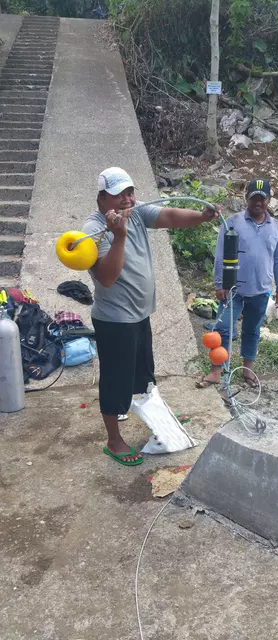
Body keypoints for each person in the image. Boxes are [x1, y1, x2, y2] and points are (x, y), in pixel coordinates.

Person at [83, 167, 220, 466]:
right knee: (116, 380)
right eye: (120, 194)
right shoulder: (92, 230)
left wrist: (201, 216)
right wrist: (118, 237)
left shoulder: (137, 212)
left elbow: (169, 215)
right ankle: (114, 439)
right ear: (102, 198)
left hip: (139, 315)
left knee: (143, 374)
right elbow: (107, 277)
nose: (128, 199)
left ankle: (156, 417)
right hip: (114, 320)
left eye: (130, 192)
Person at [196, 178, 278, 389]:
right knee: (223, 329)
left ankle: (247, 370)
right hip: (233, 289)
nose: (258, 202)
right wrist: (219, 284)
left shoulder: (277, 227)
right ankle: (216, 371)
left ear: (269, 200)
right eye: (254, 197)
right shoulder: (233, 222)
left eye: (262, 199)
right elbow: (220, 254)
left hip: (261, 289)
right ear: (246, 197)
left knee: (252, 330)